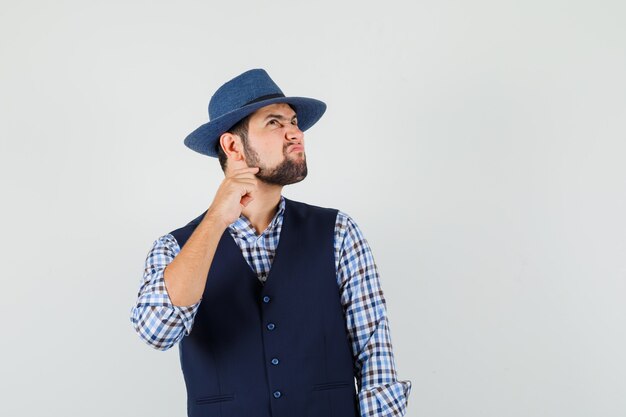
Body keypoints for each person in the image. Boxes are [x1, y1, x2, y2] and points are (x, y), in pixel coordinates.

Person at [130, 69, 411, 417]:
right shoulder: (174, 248)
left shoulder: (338, 232)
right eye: (275, 123)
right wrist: (216, 218)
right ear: (233, 145)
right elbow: (157, 332)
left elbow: (375, 355)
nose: (295, 133)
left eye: (293, 122)